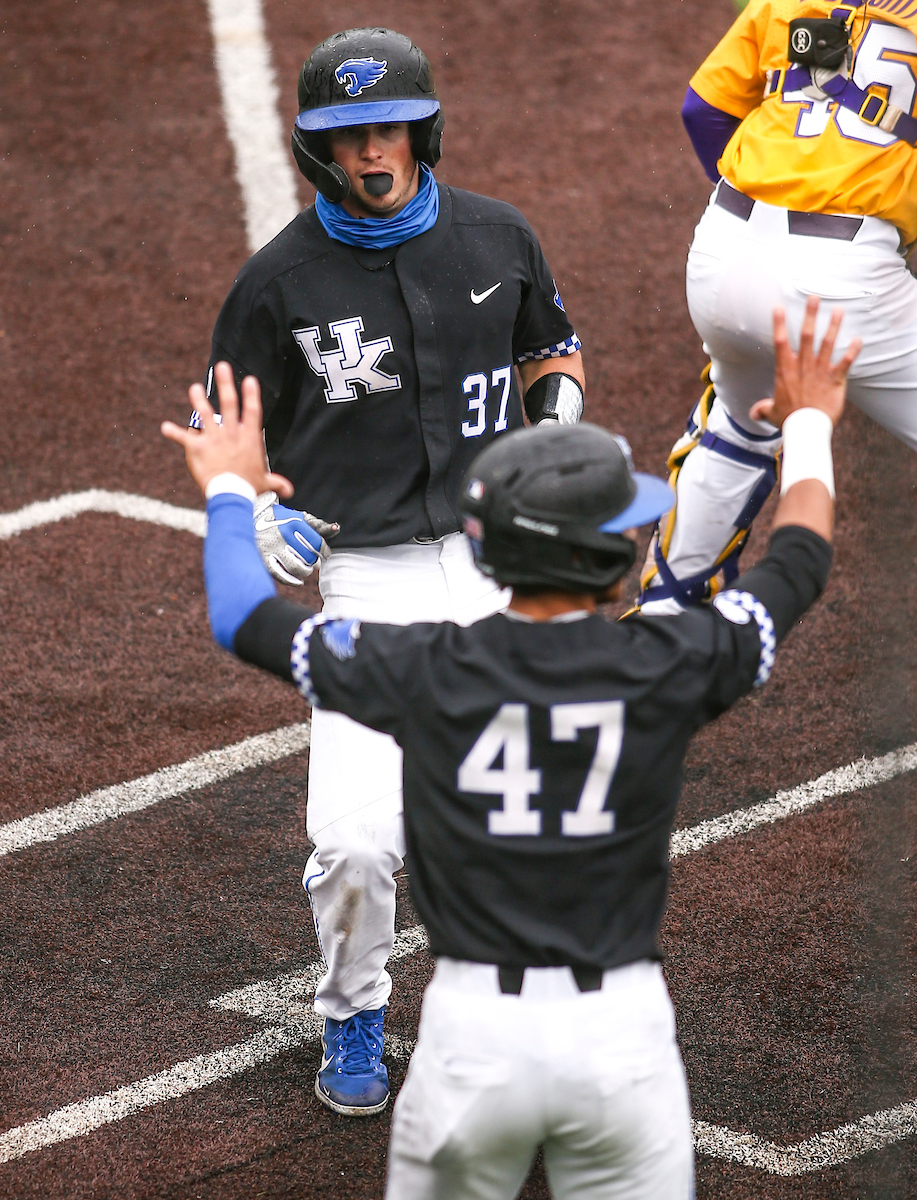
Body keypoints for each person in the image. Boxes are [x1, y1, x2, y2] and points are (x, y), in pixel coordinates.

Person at [162, 293, 859, 1197]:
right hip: (622, 1043)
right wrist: (809, 423)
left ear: (488, 551)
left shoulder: (419, 665)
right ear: (613, 560)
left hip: (470, 1045)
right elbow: (799, 558)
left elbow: (241, 615)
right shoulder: (675, 659)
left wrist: (229, 487)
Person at [195, 27, 586, 1114]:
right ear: (316, 150)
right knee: (358, 844)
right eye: (348, 138)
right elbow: (224, 428)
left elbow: (550, 346)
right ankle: (354, 1016)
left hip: (500, 570)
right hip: (364, 586)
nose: (372, 154)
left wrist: (551, 425)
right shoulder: (276, 283)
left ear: (423, 131)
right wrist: (261, 520)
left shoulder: (499, 237)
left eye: (388, 131)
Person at [639, 0, 917, 614]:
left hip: (720, 245)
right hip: (843, 279)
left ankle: (663, 617)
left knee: (738, 423)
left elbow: (703, 109)